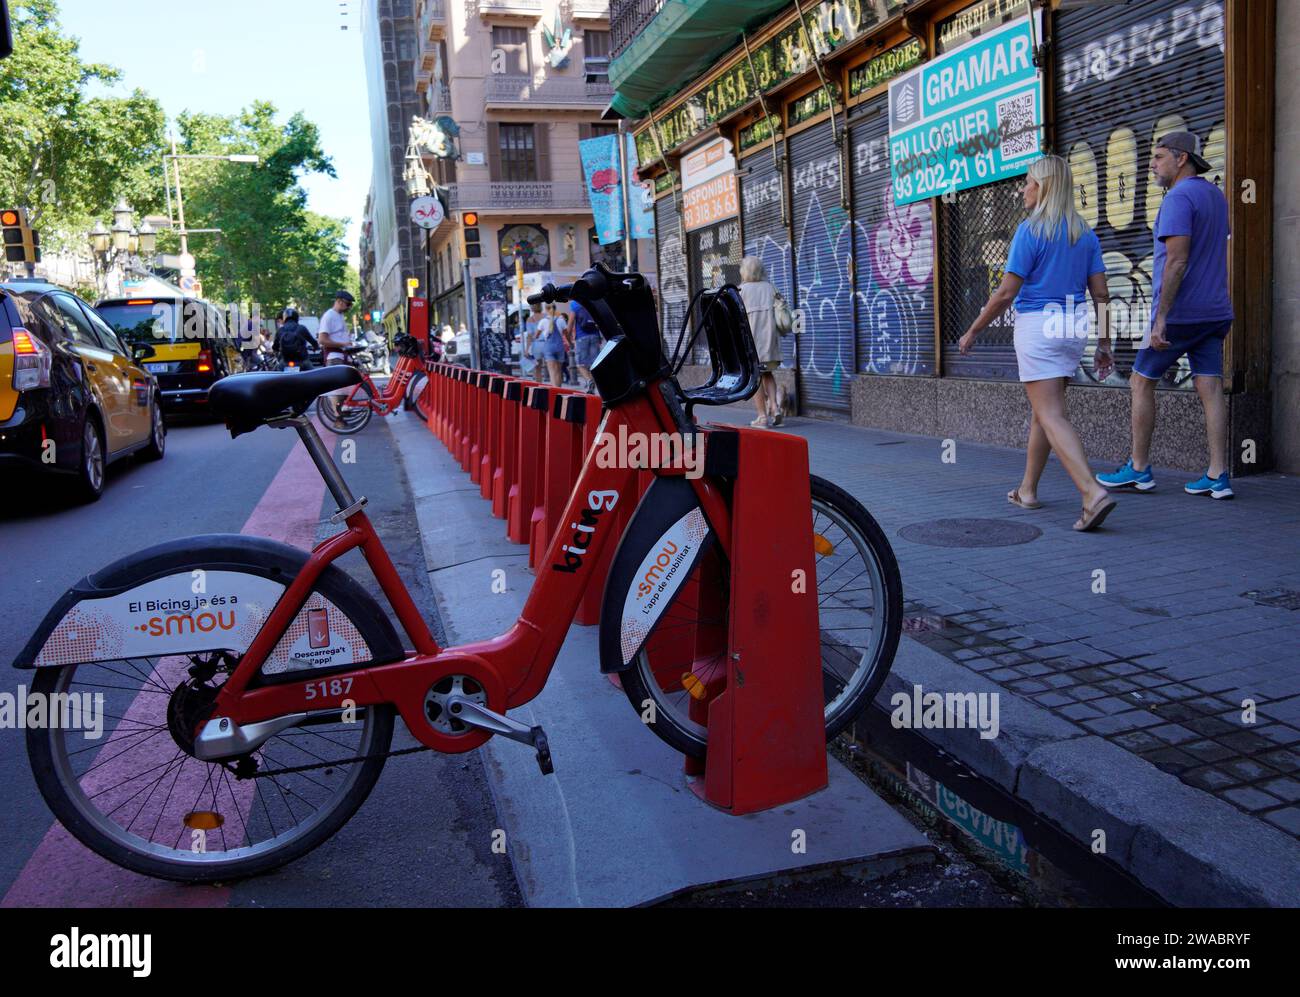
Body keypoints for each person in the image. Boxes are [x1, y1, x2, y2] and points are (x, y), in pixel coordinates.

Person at [958, 154, 1117, 532]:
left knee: (1051, 413)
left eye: (1027, 181)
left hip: (1039, 326)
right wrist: (1105, 343)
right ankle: (1027, 490)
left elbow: (1005, 293)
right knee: (1042, 411)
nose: (1021, 188)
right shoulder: (1085, 233)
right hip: (1072, 327)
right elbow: (1102, 295)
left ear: (1043, 186)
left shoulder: (1031, 231)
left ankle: (1091, 493)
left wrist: (974, 329)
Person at [1096, 131, 1235, 500]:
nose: (1152, 165)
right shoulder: (1215, 196)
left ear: (1181, 158)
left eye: (1158, 157)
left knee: (1140, 382)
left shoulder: (1178, 197)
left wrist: (1161, 318)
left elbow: (1177, 260)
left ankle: (1139, 470)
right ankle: (1218, 474)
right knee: (1210, 387)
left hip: (1181, 316)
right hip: (1216, 311)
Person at [738, 256, 785, 427]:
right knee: (768, 374)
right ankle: (774, 406)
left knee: (756, 378)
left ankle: (762, 417)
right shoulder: (770, 287)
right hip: (770, 339)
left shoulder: (741, 291)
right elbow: (782, 306)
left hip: (752, 342)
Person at [570, 299, 602, 392]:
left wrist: (570, 340)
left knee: (580, 364)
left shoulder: (575, 304)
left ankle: (589, 381)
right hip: (595, 336)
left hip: (581, 337)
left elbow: (570, 324)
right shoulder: (592, 301)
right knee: (594, 365)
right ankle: (592, 388)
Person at [318, 290, 355, 367]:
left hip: (342, 357)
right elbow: (322, 340)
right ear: (339, 301)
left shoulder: (340, 315)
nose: (349, 307)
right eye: (348, 304)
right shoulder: (329, 316)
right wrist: (343, 344)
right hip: (334, 358)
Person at [535, 302, 568, 387]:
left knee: (552, 371)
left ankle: (555, 390)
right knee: (559, 370)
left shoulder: (543, 321)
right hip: (560, 347)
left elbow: (536, 335)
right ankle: (559, 389)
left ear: (546, 309)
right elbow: (566, 334)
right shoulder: (561, 320)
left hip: (549, 347)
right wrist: (570, 343)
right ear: (555, 308)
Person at [520, 304, 541, 379]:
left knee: (537, 369)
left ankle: (539, 388)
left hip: (536, 346)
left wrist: (526, 350)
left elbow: (529, 336)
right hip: (547, 344)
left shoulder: (530, 319)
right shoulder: (546, 317)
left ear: (532, 308)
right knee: (554, 369)